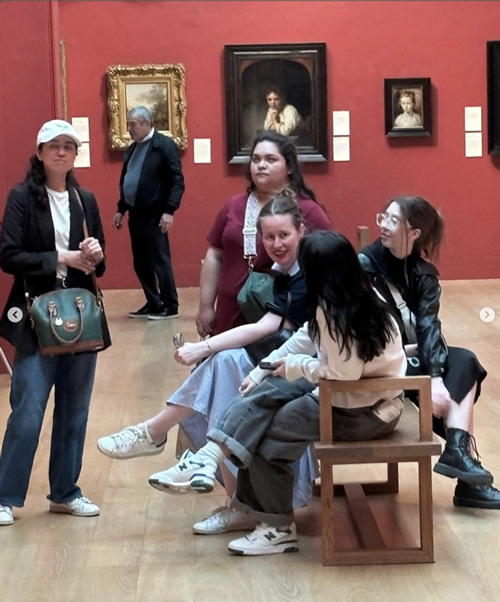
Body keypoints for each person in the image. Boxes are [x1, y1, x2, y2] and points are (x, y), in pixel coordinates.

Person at [153, 231, 407, 556]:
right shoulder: (350, 294)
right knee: (268, 389)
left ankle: (275, 528)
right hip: (351, 398)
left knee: (266, 433)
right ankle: (212, 460)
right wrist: (264, 369)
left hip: (362, 411)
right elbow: (305, 337)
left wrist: (297, 365)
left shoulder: (340, 313)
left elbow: (342, 377)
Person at [98, 195, 318, 531]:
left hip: (315, 370)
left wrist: (203, 348)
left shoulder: (310, 269)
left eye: (284, 235)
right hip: (291, 360)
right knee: (225, 370)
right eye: (269, 237)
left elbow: (276, 330)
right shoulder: (285, 270)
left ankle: (156, 433)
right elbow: (277, 329)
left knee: (223, 364)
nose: (276, 244)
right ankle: (232, 499)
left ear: (301, 230)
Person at [0, 119, 110, 527]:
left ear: (75, 154)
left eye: (69, 146)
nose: (62, 152)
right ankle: (6, 496)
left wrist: (95, 252)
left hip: (80, 316)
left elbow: (100, 261)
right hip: (35, 317)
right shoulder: (22, 198)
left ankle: (65, 493)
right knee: (27, 409)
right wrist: (59, 257)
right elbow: (8, 255)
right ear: (40, 152)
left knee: (75, 411)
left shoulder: (86, 199)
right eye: (54, 146)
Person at [359, 196, 499, 509]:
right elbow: (371, 335)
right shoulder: (366, 266)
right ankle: (466, 470)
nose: (383, 225)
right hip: (380, 361)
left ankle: (461, 458)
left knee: (465, 361)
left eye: (394, 221)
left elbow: (429, 327)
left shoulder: (423, 274)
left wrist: (434, 377)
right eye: (384, 217)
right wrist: (426, 368)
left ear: (415, 233)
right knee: (458, 378)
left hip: (411, 356)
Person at [196, 131, 330, 338]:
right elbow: (214, 255)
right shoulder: (234, 206)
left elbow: (326, 268)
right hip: (230, 316)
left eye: (271, 159)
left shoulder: (309, 212)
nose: (261, 165)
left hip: (280, 319)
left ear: (290, 167)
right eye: (256, 159)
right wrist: (205, 307)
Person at [112, 106, 185, 320]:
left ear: (147, 123)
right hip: (136, 215)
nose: (129, 128)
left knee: (160, 262)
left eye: (133, 124)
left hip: (155, 215)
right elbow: (129, 180)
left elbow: (177, 181)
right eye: (128, 124)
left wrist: (169, 211)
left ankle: (170, 305)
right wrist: (121, 209)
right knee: (141, 263)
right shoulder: (133, 147)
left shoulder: (163, 146)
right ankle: (154, 303)